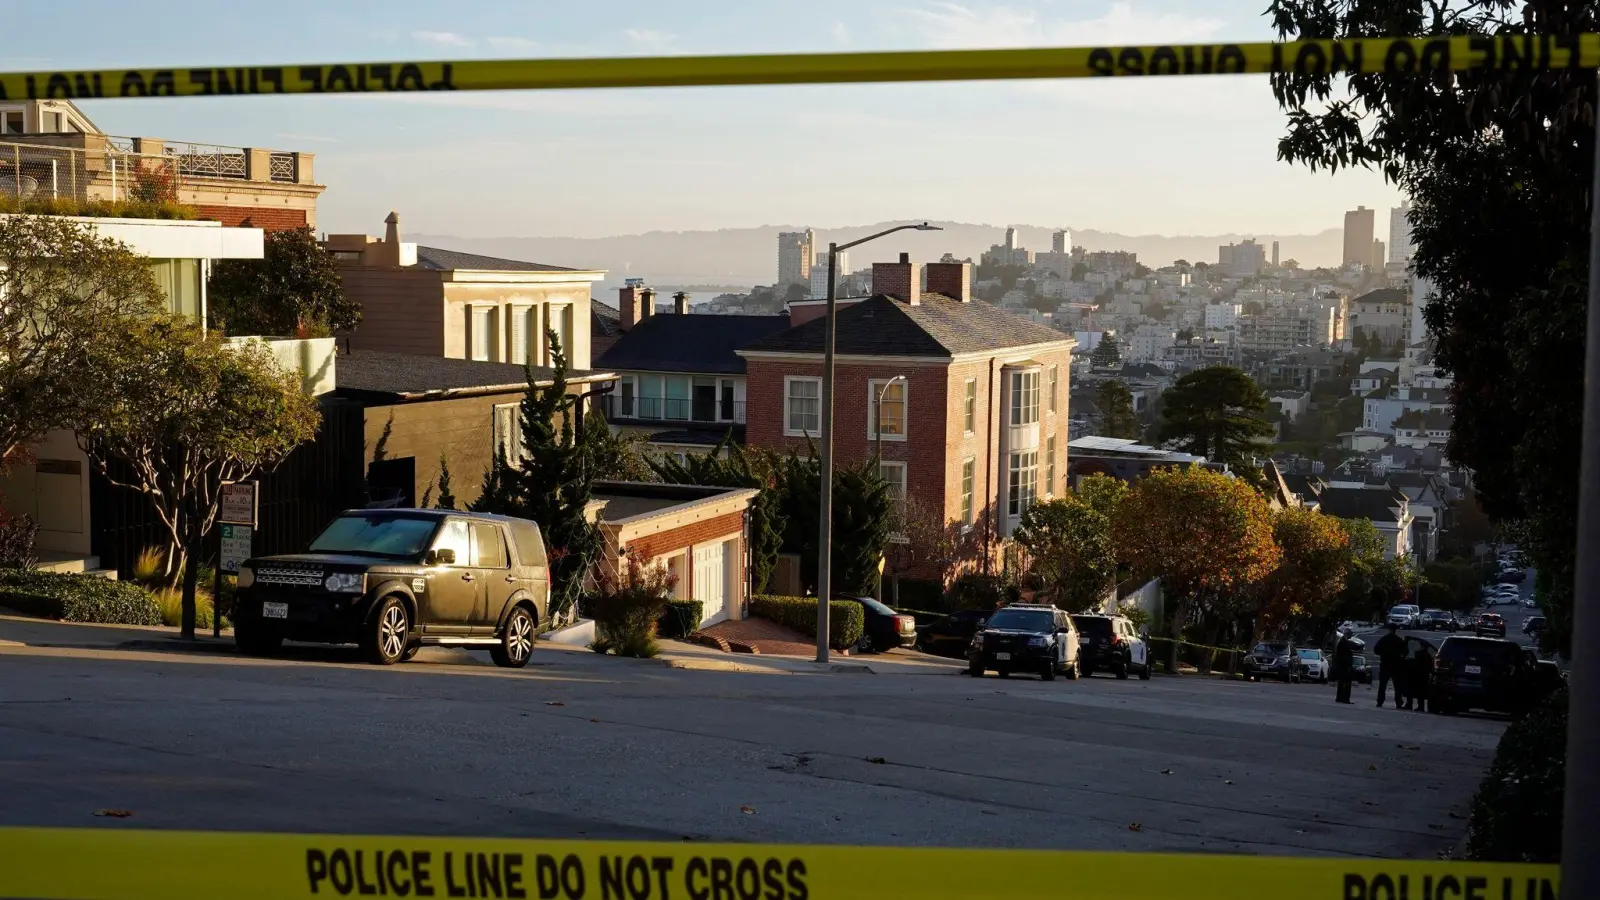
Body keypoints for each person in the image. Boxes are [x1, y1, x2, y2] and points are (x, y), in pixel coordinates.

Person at [1374, 623, 1407, 709]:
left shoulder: (1384, 639)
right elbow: (1406, 651)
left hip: (1385, 664)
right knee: (1397, 686)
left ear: (1389, 629)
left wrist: (1383, 653)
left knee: (1382, 685)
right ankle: (1398, 702)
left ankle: (1380, 701)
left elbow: (1376, 650)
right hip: (1396, 665)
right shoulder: (1399, 640)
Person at [1332, 628, 1357, 704]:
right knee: (1346, 683)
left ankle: (1340, 698)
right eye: (1351, 634)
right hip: (1345, 666)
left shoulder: (1342, 641)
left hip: (1342, 666)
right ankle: (1345, 698)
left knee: (1341, 682)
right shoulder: (1344, 642)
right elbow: (1345, 655)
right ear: (1348, 634)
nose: (1351, 636)